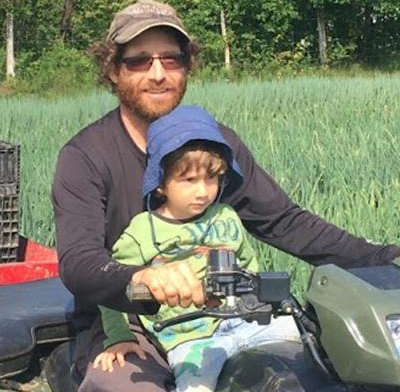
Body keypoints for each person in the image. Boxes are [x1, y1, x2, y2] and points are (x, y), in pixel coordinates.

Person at [52, 0, 400, 391]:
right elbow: (81, 263)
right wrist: (142, 278)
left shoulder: (214, 145)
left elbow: (284, 221)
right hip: (128, 324)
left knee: (318, 367)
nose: (158, 74)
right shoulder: (86, 156)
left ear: (186, 66)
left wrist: (390, 258)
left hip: (226, 316)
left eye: (171, 59)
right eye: (139, 61)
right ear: (113, 70)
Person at [91, 105, 302, 392]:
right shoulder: (143, 231)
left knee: (308, 352)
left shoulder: (226, 217)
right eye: (189, 180)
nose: (203, 191)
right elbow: (111, 289)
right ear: (161, 183)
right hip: (190, 339)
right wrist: (118, 337)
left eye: (211, 179)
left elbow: (249, 269)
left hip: (246, 323)